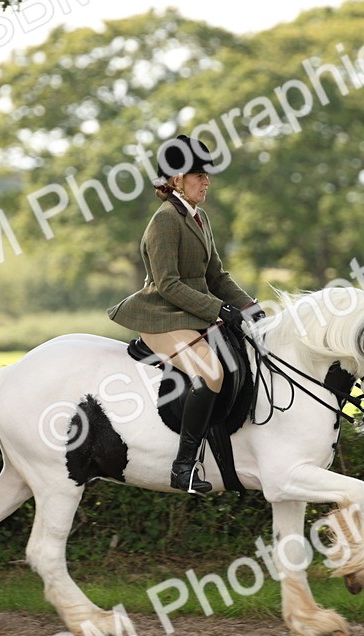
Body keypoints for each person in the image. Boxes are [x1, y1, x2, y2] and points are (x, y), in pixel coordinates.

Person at [108, 134, 264, 494]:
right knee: (211, 372)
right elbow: (168, 285)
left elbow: (216, 276)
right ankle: (183, 467)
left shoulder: (199, 218)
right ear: (177, 179)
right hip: (162, 315)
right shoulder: (164, 221)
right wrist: (218, 309)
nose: (207, 182)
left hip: (190, 315)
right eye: (199, 176)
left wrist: (249, 307)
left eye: (206, 176)